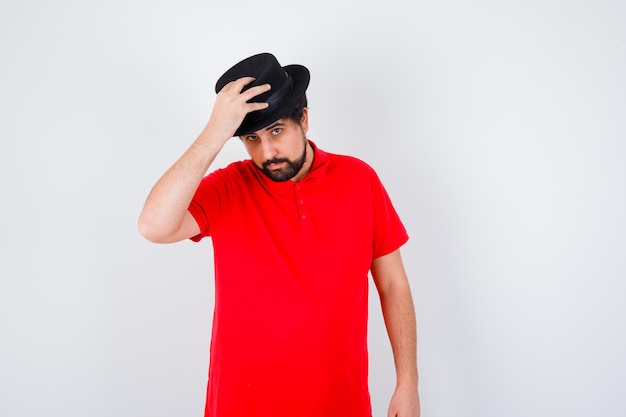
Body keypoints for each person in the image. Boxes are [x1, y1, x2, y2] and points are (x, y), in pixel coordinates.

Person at [138, 52, 420, 417]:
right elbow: (153, 226)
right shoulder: (229, 186)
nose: (267, 152)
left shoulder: (359, 180)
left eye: (276, 131)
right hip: (243, 402)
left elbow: (393, 283)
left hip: (337, 399)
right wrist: (215, 132)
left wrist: (408, 382)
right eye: (251, 138)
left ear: (303, 118)